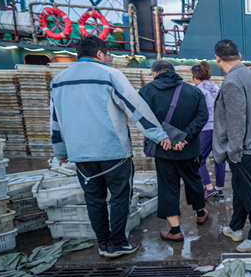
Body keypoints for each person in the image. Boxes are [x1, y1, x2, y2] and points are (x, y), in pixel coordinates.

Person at [50, 36, 171, 258]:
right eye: (109, 55)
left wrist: (61, 152)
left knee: (94, 199)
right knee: (119, 197)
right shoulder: (110, 75)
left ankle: (103, 243)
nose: (109, 59)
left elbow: (55, 120)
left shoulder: (58, 80)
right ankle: (117, 243)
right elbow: (135, 107)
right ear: (99, 54)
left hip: (80, 154)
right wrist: (158, 135)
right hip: (113, 151)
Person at [139, 61, 210, 242]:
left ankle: (175, 230)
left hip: (163, 150)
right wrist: (185, 137)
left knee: (168, 187)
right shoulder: (194, 91)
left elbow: (143, 120)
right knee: (193, 180)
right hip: (189, 147)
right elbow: (203, 116)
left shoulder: (146, 91)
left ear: (154, 73)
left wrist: (163, 138)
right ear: (173, 72)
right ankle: (201, 213)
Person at [212, 40, 251, 251]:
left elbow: (236, 120)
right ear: (239, 54)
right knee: (241, 190)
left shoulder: (232, 81)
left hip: (244, 149)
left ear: (217, 58)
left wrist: (234, 151)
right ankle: (235, 228)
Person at [191, 61, 225, 198]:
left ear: (194, 77)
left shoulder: (197, 91)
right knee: (219, 158)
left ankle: (208, 187)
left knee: (198, 158)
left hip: (206, 128)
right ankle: (219, 188)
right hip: (220, 127)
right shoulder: (216, 88)